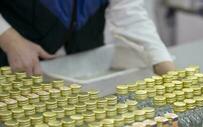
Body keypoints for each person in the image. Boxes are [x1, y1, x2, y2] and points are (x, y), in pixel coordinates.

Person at [0, 0, 176, 76]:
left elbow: (129, 13)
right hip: (13, 60)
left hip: (81, 61)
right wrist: (9, 39)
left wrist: (163, 63)